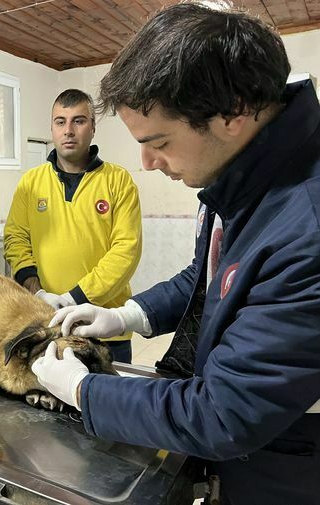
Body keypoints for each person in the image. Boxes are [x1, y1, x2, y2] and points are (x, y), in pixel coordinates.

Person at [31, 4, 320, 504]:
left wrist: (84, 392)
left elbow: (224, 413)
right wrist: (125, 315)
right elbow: (208, 279)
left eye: (158, 142)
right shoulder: (240, 174)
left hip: (287, 469)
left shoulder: (308, 226)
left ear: (231, 111)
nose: (146, 162)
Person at [3, 88, 142, 363]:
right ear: (52, 128)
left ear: (93, 127)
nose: (68, 130)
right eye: (60, 121)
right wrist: (38, 293)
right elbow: (16, 238)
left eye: (78, 121)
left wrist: (74, 298)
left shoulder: (118, 180)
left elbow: (126, 251)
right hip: (46, 325)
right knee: (46, 405)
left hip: (105, 330)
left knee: (108, 404)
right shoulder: (31, 183)